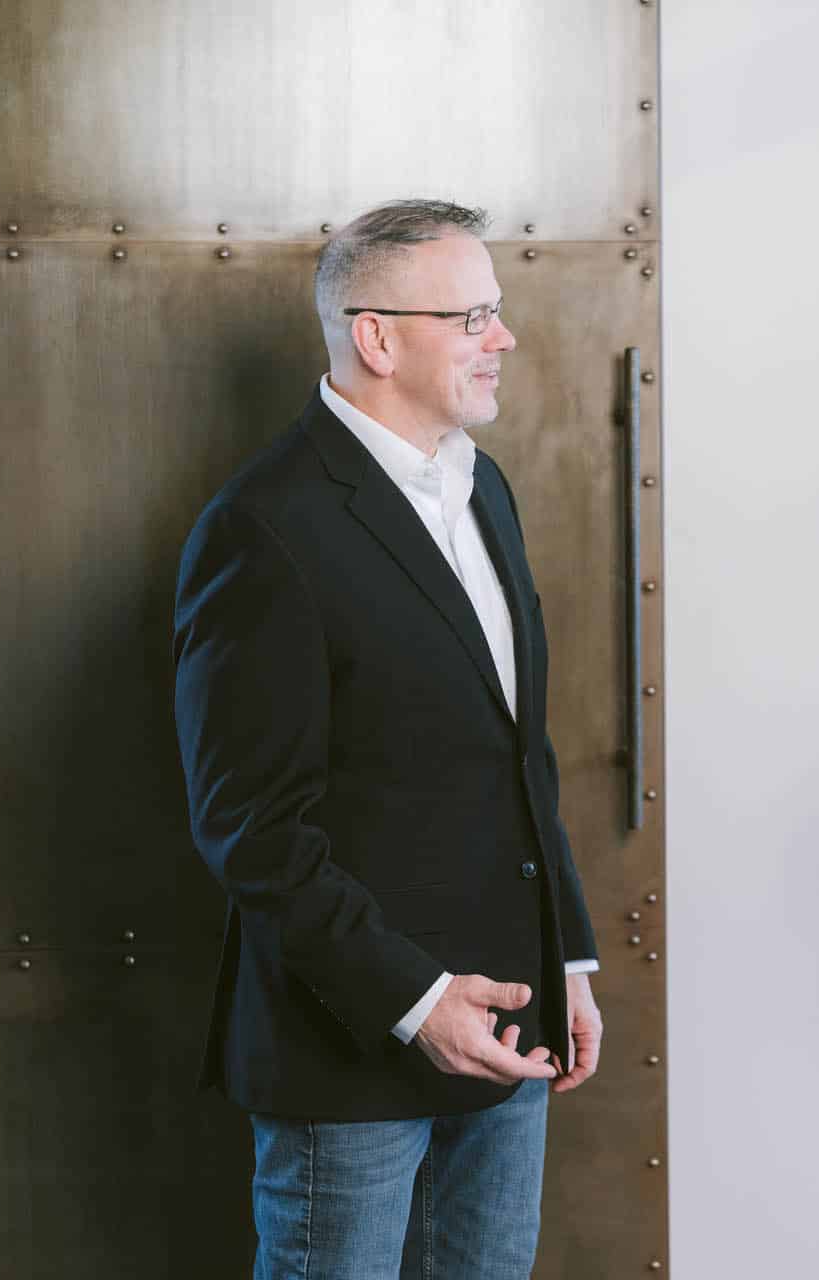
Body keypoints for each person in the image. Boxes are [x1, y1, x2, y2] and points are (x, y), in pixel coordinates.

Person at [172, 198, 603, 1279]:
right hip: (351, 1051)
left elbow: (517, 754)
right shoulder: (263, 526)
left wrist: (567, 952)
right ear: (377, 336)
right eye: (472, 317)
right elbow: (251, 827)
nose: (502, 338)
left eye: (496, 313)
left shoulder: (482, 487)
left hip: (510, 1031)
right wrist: (417, 1005)